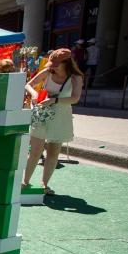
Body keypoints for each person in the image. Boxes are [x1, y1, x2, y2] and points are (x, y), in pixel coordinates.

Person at [23, 48, 84, 195]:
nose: (53, 66)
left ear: (66, 63)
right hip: (42, 115)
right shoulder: (48, 71)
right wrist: (34, 93)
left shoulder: (75, 77)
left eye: (57, 63)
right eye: (52, 62)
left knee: (53, 151)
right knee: (35, 150)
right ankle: (25, 181)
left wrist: (55, 100)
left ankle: (45, 184)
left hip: (60, 116)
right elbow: (28, 84)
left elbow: (75, 98)